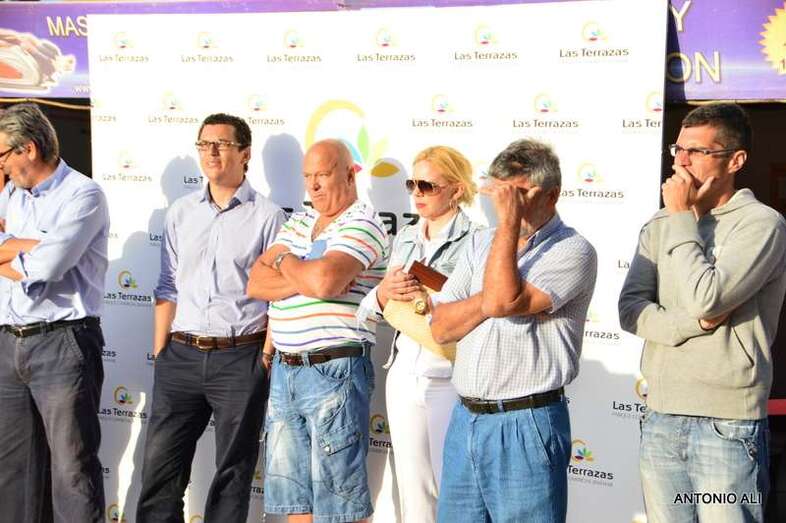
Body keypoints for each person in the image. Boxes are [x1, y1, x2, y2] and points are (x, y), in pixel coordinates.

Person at [619, 102, 786, 523]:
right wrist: (691, 325)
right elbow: (631, 309)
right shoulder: (660, 224)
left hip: (726, 424)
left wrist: (681, 217)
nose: (682, 161)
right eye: (678, 149)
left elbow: (706, 298)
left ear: (735, 160)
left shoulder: (760, 224)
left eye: (697, 151)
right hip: (661, 415)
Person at [430, 138, 597, 523]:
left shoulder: (573, 250)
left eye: (518, 194)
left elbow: (503, 303)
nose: (506, 205)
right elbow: (441, 327)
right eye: (502, 194)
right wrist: (488, 298)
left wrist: (507, 225)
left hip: (526, 423)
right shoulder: (479, 242)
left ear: (551, 195)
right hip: (466, 419)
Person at [136, 113, 285, 523]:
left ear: (245, 153)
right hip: (179, 356)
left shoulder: (268, 216)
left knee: (232, 475)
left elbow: (278, 293)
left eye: (222, 144)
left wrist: (265, 357)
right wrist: (161, 352)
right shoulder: (180, 212)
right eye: (204, 144)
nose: (211, 152)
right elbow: (167, 285)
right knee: (160, 473)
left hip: (240, 358)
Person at [247, 139, 389, 523]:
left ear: (349, 175)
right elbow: (256, 283)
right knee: (294, 499)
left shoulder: (363, 223)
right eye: (307, 176)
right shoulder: (299, 221)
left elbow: (325, 282)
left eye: (323, 175)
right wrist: (304, 274)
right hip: (286, 369)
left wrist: (286, 261)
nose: (313, 185)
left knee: (339, 503)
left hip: (334, 369)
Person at [356, 145, 481, 522]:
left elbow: (475, 307)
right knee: (412, 489)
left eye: (427, 185)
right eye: (412, 184)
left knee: (454, 487)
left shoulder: (478, 240)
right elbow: (374, 306)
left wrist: (427, 296)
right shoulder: (406, 237)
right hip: (404, 372)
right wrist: (384, 293)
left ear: (457, 190)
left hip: (450, 374)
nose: (417, 193)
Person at [0, 102, 109, 523]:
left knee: (71, 469)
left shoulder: (83, 194)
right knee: (13, 470)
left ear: (28, 149)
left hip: (63, 342)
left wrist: (18, 251)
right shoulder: (12, 195)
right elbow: (35, 258)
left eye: (3, 155)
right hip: (10, 340)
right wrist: (26, 248)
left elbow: (48, 267)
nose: (1, 166)